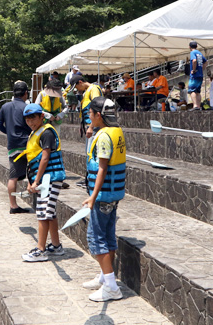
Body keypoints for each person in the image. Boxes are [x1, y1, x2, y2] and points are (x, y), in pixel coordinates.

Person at [82, 97, 126, 302]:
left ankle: (111, 286)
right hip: (112, 193)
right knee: (108, 236)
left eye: (90, 113)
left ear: (98, 115)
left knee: (96, 238)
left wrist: (92, 197)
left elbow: (102, 168)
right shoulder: (114, 131)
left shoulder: (104, 137)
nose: (88, 117)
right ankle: (104, 277)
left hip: (102, 195)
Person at [16, 104, 67, 262]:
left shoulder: (47, 132)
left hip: (49, 178)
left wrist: (36, 181)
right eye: (27, 119)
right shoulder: (35, 132)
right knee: (50, 213)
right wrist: (32, 181)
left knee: (43, 213)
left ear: (41, 117)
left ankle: (41, 250)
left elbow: (45, 158)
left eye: (33, 118)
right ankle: (56, 246)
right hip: (43, 178)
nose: (30, 122)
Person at [0, 81, 33, 214]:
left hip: (12, 145)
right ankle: (20, 203)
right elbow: (32, 125)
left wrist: (9, 132)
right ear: (26, 93)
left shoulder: (5, 106)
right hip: (26, 144)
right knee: (31, 171)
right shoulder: (27, 107)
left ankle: (13, 205)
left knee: (14, 175)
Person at [70, 75, 103, 147]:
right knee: (89, 151)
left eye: (76, 87)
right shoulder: (87, 91)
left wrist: (91, 127)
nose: (77, 89)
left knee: (92, 151)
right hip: (91, 125)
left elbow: (97, 107)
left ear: (80, 82)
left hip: (95, 126)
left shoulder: (93, 89)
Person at [188, 41, 207, 110]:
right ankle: (199, 106)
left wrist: (193, 70)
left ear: (189, 47)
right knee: (198, 91)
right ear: (197, 46)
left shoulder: (192, 52)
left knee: (192, 90)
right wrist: (201, 69)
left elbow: (194, 60)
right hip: (200, 75)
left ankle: (195, 106)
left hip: (195, 75)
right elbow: (205, 62)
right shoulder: (200, 53)